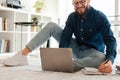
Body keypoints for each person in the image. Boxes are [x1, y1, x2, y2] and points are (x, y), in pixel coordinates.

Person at [3, 0, 117, 73]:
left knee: (103, 58)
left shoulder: (100, 17)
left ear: (89, 0)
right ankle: (22, 55)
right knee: (51, 26)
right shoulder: (72, 17)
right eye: (76, 3)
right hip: (77, 48)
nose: (79, 5)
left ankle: (65, 65)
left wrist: (110, 61)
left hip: (93, 53)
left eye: (82, 2)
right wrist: (61, 55)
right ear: (73, 3)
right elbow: (65, 38)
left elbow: (111, 41)